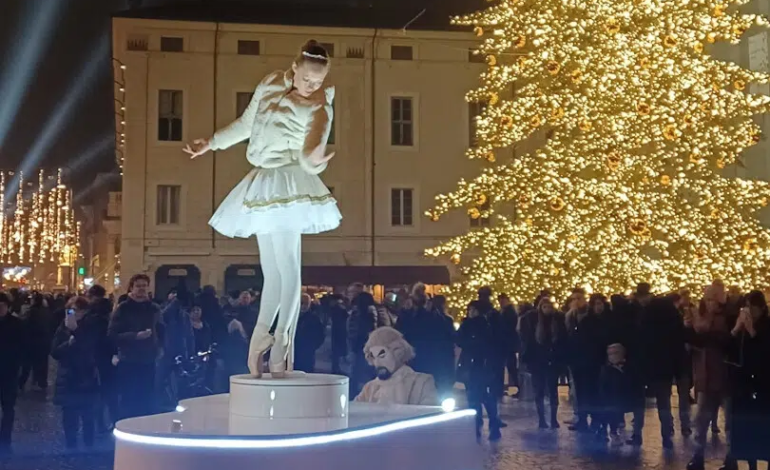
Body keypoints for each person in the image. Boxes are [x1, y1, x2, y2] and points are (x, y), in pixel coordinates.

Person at [184, 39, 341, 378]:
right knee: (272, 271)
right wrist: (210, 143)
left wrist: (314, 162)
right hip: (263, 181)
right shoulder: (271, 83)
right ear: (295, 68)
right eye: (307, 78)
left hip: (290, 183)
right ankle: (259, 341)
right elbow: (245, 124)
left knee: (288, 267)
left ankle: (282, 341)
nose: (312, 85)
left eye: (318, 81)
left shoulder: (319, 107)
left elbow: (312, 147)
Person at [686, 285, 733, 470]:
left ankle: (731, 458)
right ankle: (698, 456)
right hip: (705, 377)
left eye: (713, 298)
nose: (710, 302)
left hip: (724, 375)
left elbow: (726, 341)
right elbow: (694, 342)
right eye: (707, 298)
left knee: (729, 422)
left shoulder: (727, 317)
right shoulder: (701, 318)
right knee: (701, 421)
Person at [722, 291, 770, 470]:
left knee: (764, 427)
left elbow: (765, 352)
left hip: (764, 385)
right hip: (743, 385)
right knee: (747, 427)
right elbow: (727, 349)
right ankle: (751, 464)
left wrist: (752, 332)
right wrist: (736, 329)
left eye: (753, 308)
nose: (750, 311)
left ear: (761, 309)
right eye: (747, 307)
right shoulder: (740, 328)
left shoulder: (766, 326)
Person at [108, 274, 165, 419]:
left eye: (144, 286)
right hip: (129, 360)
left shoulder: (154, 308)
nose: (141, 289)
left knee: (147, 396)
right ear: (132, 288)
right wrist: (134, 336)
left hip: (149, 359)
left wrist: (160, 348)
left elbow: (162, 329)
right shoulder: (123, 308)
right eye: (138, 286)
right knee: (129, 397)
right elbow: (112, 334)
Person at [50, 297, 100, 449]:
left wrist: (76, 332)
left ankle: (89, 445)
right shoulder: (62, 328)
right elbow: (54, 352)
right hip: (68, 377)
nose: (73, 314)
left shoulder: (91, 325)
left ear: (84, 312)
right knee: (69, 416)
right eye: (70, 310)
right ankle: (71, 446)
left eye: (77, 310)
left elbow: (91, 347)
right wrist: (68, 343)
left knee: (88, 415)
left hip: (86, 377)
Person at [355, 327, 437, 405]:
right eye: (373, 356)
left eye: (382, 355)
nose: (377, 362)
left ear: (398, 353)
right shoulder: (369, 388)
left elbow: (429, 415)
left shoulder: (421, 382)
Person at [519, 297, 567, 429]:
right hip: (537, 361)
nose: (547, 310)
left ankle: (553, 418)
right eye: (545, 307)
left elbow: (561, 339)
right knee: (539, 390)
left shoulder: (557, 320)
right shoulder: (532, 320)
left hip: (552, 360)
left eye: (549, 307)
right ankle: (541, 419)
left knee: (552, 390)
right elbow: (528, 340)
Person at [457, 301, 502, 441]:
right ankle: (476, 425)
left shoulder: (485, 325)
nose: (471, 312)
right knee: (473, 397)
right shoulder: (466, 325)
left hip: (481, 365)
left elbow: (488, 345)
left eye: (474, 310)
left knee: (483, 396)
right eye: (470, 309)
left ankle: (493, 424)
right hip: (470, 366)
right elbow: (458, 339)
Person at [85, 284, 118, 431]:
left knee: (96, 393)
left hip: (94, 357)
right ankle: (114, 420)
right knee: (110, 392)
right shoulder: (109, 311)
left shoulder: (90, 314)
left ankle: (99, 423)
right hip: (109, 357)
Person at [596, 343, 633, 446]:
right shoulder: (609, 370)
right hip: (610, 399)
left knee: (611, 416)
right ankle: (606, 431)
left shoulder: (610, 370)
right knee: (609, 415)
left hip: (613, 399)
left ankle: (606, 431)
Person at [0, 293, 23, 454]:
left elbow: (23, 347)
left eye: (2, 306)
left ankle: (5, 438)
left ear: (8, 307)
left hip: (9, 372)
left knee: (8, 408)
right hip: (9, 370)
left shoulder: (17, 324)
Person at [294, 294, 325, 373]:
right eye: (301, 303)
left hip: (307, 352)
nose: (303, 306)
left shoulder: (314, 318)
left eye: (305, 303)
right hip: (294, 351)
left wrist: (312, 346)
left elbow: (320, 335)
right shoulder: (292, 318)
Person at [498, 293, 520, 397]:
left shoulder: (509, 312)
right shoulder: (506, 311)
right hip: (507, 344)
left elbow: (508, 327)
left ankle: (518, 386)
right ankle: (517, 386)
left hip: (507, 344)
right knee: (510, 367)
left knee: (511, 367)